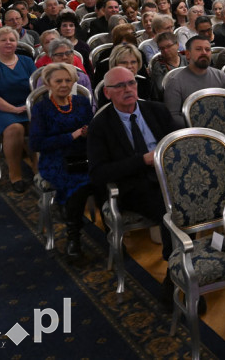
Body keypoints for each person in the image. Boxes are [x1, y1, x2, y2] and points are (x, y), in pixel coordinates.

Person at [88, 66, 178, 298]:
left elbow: (178, 146)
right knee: (171, 210)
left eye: (131, 83)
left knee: (200, 199)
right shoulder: (101, 125)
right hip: (132, 187)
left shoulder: (157, 110)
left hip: (168, 177)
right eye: (119, 86)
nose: (127, 89)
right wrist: (142, 161)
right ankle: (175, 275)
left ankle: (192, 263)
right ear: (107, 93)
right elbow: (98, 173)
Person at [29, 62, 100, 261]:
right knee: (79, 183)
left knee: (102, 175)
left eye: (68, 80)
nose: (64, 84)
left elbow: (91, 129)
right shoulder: (41, 108)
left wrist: (86, 133)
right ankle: (73, 237)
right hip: (55, 159)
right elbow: (36, 143)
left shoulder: (80, 102)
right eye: (58, 80)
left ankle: (111, 231)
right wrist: (71, 135)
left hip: (82, 155)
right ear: (48, 84)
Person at [0, 26, 36, 192]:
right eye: (3, 40)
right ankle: (15, 175)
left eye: (12, 39)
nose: (8, 43)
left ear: (17, 42)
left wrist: (28, 107)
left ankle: (39, 172)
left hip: (25, 107)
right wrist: (14, 110)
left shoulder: (27, 62)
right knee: (15, 128)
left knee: (41, 126)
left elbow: (37, 87)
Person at [162, 36, 225, 122]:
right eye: (198, 49)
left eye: (207, 49)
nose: (204, 53)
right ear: (187, 54)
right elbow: (173, 116)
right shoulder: (175, 82)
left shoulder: (221, 76)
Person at [149, 31, 186, 100]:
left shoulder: (188, 59)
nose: (165, 51)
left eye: (169, 46)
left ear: (177, 45)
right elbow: (161, 89)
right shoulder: (159, 66)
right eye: (162, 48)